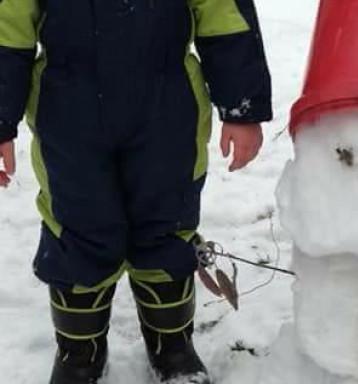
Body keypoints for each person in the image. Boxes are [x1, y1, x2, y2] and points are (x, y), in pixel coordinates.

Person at [0, 0, 272, 383]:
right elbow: (7, 28)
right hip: (67, 108)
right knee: (78, 224)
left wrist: (242, 108)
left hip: (168, 103)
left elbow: (224, 16)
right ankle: (80, 353)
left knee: (166, 220)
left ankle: (172, 345)